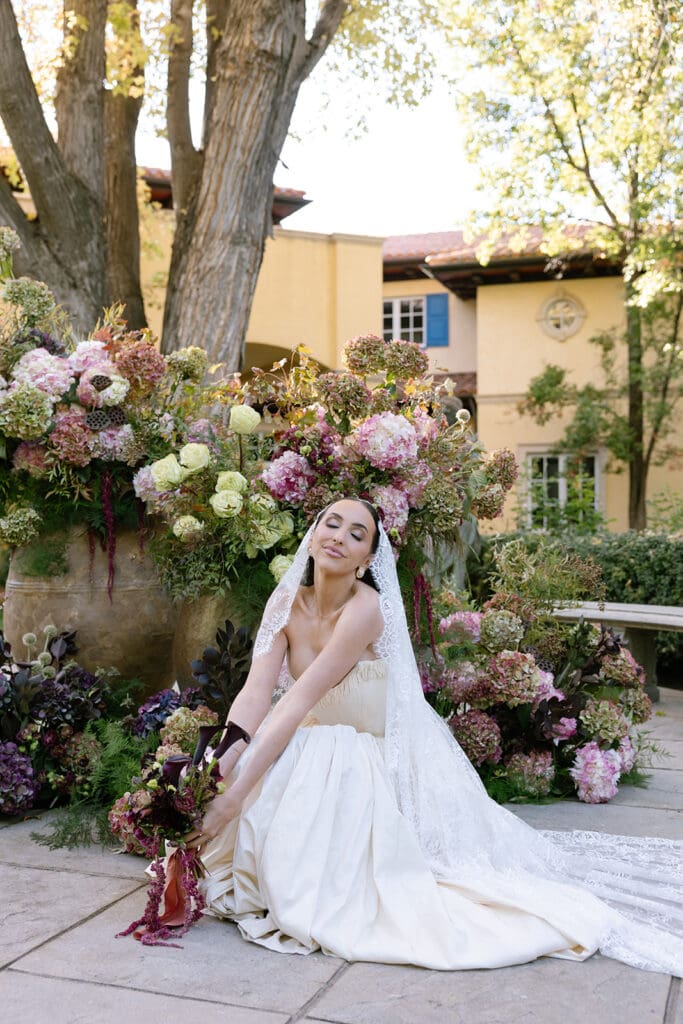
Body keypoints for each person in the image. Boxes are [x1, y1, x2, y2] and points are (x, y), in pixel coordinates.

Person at [187, 497, 683, 974]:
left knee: (303, 829)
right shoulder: (285, 600)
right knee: (260, 788)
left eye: (357, 534)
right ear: (313, 537)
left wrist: (234, 798)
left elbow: (298, 699)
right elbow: (257, 697)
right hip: (313, 734)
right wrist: (219, 762)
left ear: (365, 561)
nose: (340, 537)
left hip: (370, 745)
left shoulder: (365, 610)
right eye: (332, 524)